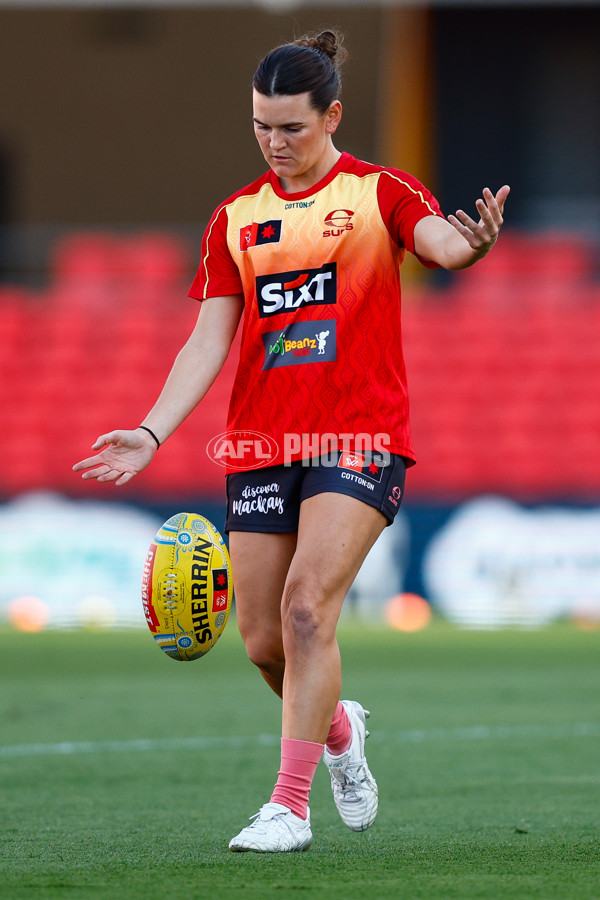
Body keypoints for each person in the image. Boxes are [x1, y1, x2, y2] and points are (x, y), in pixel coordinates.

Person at [74, 29, 509, 853]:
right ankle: (340, 729)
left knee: (309, 609)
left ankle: (287, 806)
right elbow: (208, 340)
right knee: (265, 639)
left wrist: (471, 244)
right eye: (261, 128)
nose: (275, 144)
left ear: (333, 114)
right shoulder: (237, 218)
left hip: (359, 436)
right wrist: (149, 430)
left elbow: (439, 243)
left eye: (292, 128)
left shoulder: (380, 193)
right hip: (262, 442)